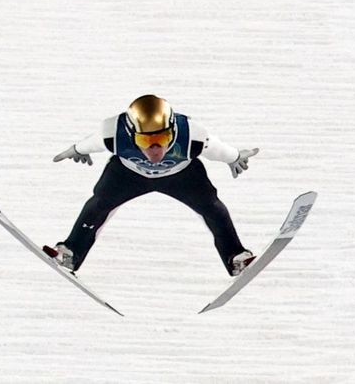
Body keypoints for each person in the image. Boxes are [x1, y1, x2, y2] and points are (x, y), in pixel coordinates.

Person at [42, 94, 261, 276]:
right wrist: (77, 150)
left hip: (181, 175)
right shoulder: (112, 133)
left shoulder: (193, 135)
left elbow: (218, 150)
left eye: (163, 139)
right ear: (130, 134)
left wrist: (235, 157)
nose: (155, 150)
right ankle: (70, 253)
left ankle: (236, 258)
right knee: (97, 205)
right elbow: (92, 142)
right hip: (128, 174)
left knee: (213, 208)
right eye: (145, 141)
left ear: (173, 131)